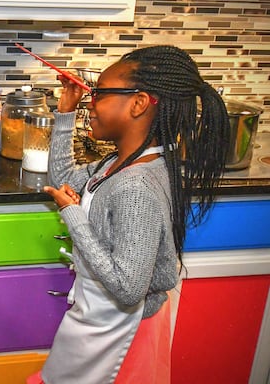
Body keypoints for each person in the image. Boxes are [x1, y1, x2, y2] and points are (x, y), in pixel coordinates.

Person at [32, 45, 230, 383]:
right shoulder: (120, 163)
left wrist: (73, 214)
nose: (90, 103)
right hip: (101, 318)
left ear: (138, 103)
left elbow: (127, 288)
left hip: (123, 333)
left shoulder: (135, 187)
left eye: (99, 94)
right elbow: (64, 178)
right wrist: (65, 113)